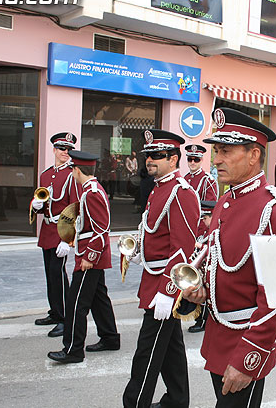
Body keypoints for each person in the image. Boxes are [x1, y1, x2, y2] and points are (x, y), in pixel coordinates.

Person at [183, 107, 276, 407]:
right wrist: (204, 292)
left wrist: (250, 357)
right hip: (218, 337)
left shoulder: (275, 211)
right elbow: (228, 267)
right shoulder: (226, 200)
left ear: (253, 156)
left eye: (226, 151)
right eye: (216, 150)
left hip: (245, 341)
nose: (216, 159)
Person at [122, 129, 200, 408]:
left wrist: (169, 291)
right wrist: (138, 251)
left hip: (164, 284)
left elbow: (183, 248)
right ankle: (177, 400)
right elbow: (156, 234)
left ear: (174, 159)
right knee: (170, 348)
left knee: (147, 350)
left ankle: (134, 402)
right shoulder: (159, 188)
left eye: (158, 155)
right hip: (152, 278)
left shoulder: (181, 192)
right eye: (148, 155)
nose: (150, 160)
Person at [47, 150, 120, 364]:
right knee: (99, 299)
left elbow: (101, 228)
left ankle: (73, 349)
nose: (71, 174)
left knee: (76, 303)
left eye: (72, 170)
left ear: (77, 170)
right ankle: (110, 337)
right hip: (90, 254)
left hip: (89, 257)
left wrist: (90, 256)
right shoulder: (90, 190)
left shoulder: (92, 193)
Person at [31, 132, 81, 338]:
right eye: (61, 149)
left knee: (58, 275)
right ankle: (55, 311)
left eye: (68, 150)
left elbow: (75, 209)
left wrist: (68, 239)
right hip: (48, 229)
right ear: (54, 149)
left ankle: (64, 318)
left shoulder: (72, 174)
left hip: (62, 230)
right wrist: (36, 207)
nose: (65, 153)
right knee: (49, 274)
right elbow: (43, 205)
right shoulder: (45, 174)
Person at [188, 199, 217, 334]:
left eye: (205, 218)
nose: (203, 221)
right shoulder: (206, 230)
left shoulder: (216, 230)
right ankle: (200, 319)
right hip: (202, 266)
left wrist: (201, 246)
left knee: (206, 295)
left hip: (210, 268)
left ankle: (204, 321)